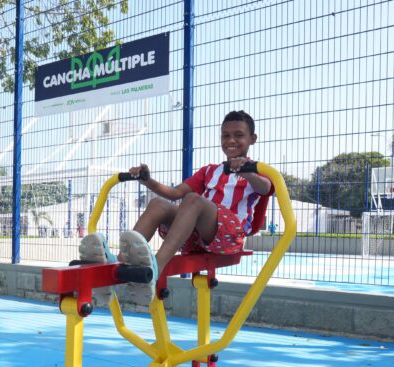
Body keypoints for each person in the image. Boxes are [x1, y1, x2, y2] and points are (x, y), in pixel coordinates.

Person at [80, 110, 274, 305]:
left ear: (252, 139)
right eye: (225, 135)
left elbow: (265, 188)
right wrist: (147, 180)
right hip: (197, 235)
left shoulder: (259, 170)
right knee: (158, 204)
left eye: (239, 135)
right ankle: (117, 265)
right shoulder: (210, 170)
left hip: (230, 236)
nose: (231, 140)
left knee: (193, 200)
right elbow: (174, 193)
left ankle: (156, 268)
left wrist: (246, 171)